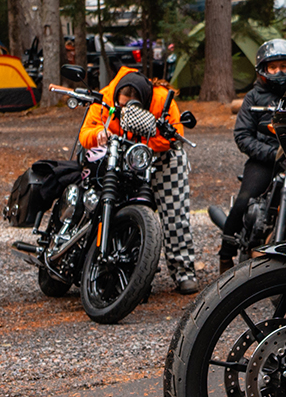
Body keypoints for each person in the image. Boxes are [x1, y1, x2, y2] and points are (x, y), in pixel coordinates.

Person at [78, 67, 200, 295]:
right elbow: (85, 133)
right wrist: (99, 135)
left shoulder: (163, 99)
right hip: (122, 155)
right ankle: (131, 272)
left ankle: (184, 271)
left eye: (133, 106)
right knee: (119, 208)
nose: (126, 109)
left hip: (163, 158)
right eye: (122, 105)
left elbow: (175, 136)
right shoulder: (105, 97)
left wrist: (148, 132)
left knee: (175, 215)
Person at [217, 39, 286, 275]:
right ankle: (225, 254)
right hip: (265, 160)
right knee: (244, 200)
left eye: (283, 66)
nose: (279, 72)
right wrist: (272, 154)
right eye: (273, 67)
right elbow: (242, 135)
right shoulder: (253, 97)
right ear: (263, 69)